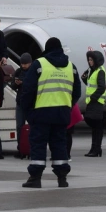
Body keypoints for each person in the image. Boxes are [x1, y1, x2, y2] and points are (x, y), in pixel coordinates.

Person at [17, 37, 81, 188]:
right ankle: (62, 178)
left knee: (38, 144)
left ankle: (35, 177)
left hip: (41, 113)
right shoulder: (71, 67)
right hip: (62, 114)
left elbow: (28, 90)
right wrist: (68, 106)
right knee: (59, 144)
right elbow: (77, 91)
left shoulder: (39, 64)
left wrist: (27, 110)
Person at [81, 50, 106, 157]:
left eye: (91, 60)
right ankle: (95, 148)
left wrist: (93, 97)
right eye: (88, 60)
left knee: (96, 125)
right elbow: (91, 84)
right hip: (92, 102)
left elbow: (102, 87)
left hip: (96, 102)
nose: (89, 62)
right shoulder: (93, 70)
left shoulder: (100, 71)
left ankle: (96, 149)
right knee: (94, 126)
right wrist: (84, 78)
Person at [11, 53, 32, 158]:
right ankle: (21, 149)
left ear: (30, 63)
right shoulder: (18, 71)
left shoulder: (33, 72)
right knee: (19, 127)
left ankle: (31, 148)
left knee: (33, 126)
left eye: (25, 64)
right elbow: (12, 85)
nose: (23, 66)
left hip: (31, 104)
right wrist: (16, 84)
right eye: (22, 64)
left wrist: (23, 83)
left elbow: (33, 85)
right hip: (20, 102)